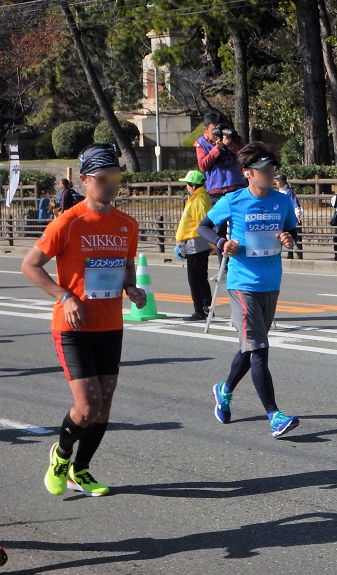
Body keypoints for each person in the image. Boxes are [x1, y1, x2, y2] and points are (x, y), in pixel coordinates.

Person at [20, 143, 147, 497]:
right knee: (87, 405)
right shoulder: (68, 222)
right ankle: (61, 456)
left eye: (116, 178)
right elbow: (30, 266)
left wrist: (132, 288)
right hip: (72, 327)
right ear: (85, 179)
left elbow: (125, 263)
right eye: (104, 178)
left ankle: (81, 469)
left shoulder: (126, 224)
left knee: (104, 404)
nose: (111, 185)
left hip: (110, 325)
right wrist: (66, 296)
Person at [196, 141, 300, 438]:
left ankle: (224, 389)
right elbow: (204, 227)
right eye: (263, 170)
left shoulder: (280, 201)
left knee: (251, 346)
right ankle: (274, 415)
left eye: (272, 169)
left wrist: (289, 239)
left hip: (271, 282)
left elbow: (292, 229)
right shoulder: (233, 200)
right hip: (242, 284)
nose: (270, 174)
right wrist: (221, 243)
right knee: (260, 350)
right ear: (248, 174)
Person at [194, 111, 247, 260]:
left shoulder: (232, 139)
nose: (217, 134)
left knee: (242, 225)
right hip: (217, 192)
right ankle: (223, 265)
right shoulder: (201, 143)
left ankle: (243, 258)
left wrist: (231, 145)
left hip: (237, 188)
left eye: (220, 129)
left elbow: (246, 156)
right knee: (220, 230)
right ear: (205, 130)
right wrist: (217, 149)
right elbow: (203, 166)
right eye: (213, 131)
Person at [175, 170, 212, 321]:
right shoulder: (198, 198)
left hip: (196, 243)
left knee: (195, 278)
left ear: (193, 185)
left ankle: (200, 310)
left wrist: (210, 243)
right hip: (196, 242)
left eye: (187, 185)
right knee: (201, 277)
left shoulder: (198, 200)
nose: (186, 187)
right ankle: (206, 306)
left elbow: (203, 223)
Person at [275, 174, 303, 260]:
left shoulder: (288, 192)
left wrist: (298, 214)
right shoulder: (278, 192)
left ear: (283, 182)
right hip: (281, 217)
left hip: (289, 217)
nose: (276, 182)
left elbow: (295, 203)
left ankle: (294, 254)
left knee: (290, 236)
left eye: (278, 181)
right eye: (276, 181)